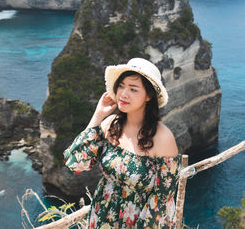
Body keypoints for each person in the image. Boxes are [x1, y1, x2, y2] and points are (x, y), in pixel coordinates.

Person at [64, 58, 180, 228]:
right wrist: (97, 116)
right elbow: (75, 163)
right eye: (121, 86)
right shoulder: (111, 125)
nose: (123, 94)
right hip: (100, 219)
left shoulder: (163, 138)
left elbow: (162, 203)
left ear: (148, 96)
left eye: (133, 89)